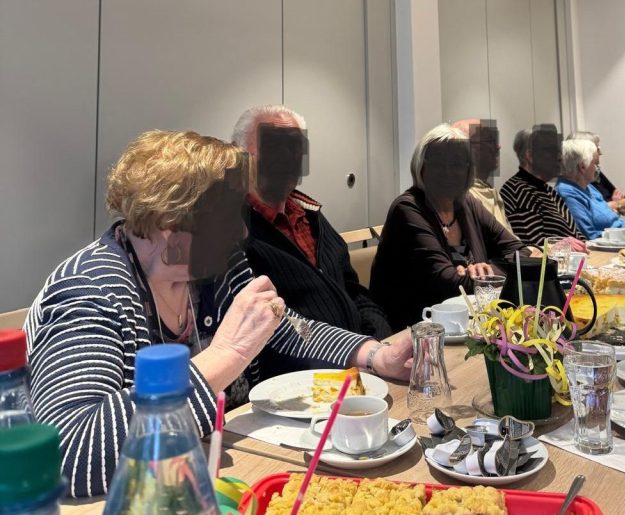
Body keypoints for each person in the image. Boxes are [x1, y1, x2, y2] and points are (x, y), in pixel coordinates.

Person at [23, 131, 412, 498]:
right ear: (171, 223)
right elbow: (65, 453)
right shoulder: (91, 290)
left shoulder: (213, 266)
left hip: (214, 472)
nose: (241, 232)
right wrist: (225, 355)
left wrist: (376, 355)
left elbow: (286, 328)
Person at [232, 105, 391, 339]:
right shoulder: (235, 232)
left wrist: (378, 337)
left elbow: (354, 292)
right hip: (308, 359)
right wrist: (347, 349)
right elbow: (276, 326)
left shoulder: (310, 215)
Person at [370, 124, 530, 331]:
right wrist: (490, 276)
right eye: (437, 164)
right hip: (415, 331)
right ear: (421, 168)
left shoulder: (467, 203)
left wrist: (485, 271)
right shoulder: (407, 209)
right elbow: (449, 285)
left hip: (467, 326)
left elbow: (521, 253)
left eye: (457, 164)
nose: (448, 172)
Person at [499, 125, 587, 250]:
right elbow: (533, 247)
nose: (560, 157)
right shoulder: (517, 191)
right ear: (530, 156)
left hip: (571, 259)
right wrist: (568, 246)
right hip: (552, 262)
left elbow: (574, 233)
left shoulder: (547, 189)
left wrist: (583, 246)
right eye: (552, 151)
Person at [451, 118, 515, 234]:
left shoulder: (490, 192)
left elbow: (511, 242)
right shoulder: (460, 197)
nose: (498, 146)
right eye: (490, 141)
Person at [556, 139, 625, 240]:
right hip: (607, 245)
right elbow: (588, 236)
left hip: (622, 237)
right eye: (595, 164)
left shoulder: (589, 187)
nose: (597, 168)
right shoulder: (568, 193)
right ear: (582, 167)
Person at [566, 130, 625, 215]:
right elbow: (595, 214)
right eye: (597, 149)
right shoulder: (577, 184)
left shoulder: (594, 173)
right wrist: (614, 206)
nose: (600, 153)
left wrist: (614, 205)